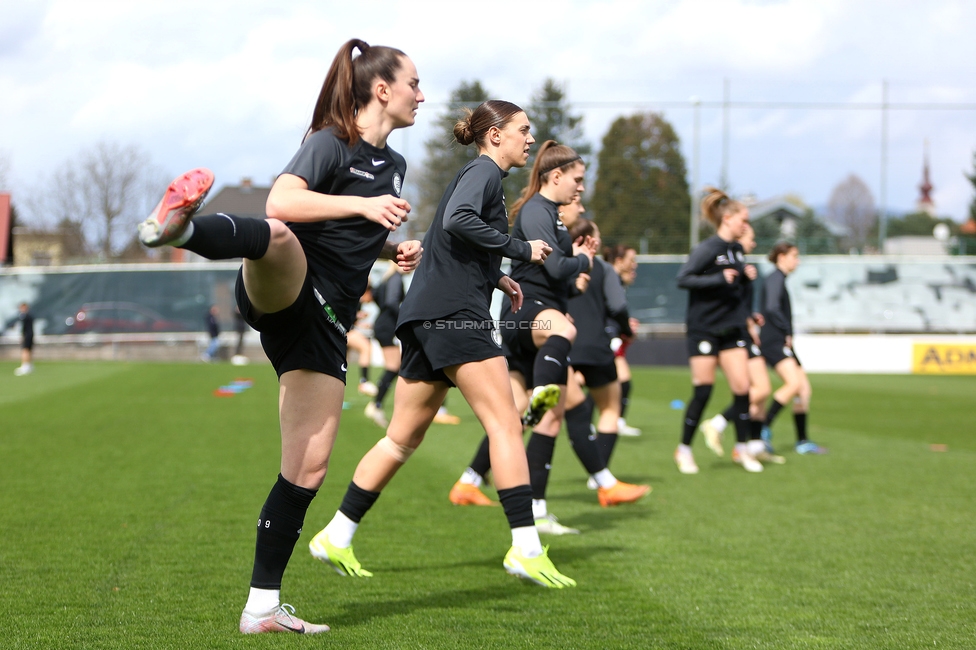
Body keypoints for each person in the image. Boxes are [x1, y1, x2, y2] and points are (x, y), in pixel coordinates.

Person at [136, 38, 424, 634]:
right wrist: (366, 209)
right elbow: (283, 200)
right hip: (284, 287)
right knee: (280, 233)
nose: (422, 95)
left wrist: (393, 249)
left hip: (324, 326)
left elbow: (353, 234)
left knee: (309, 469)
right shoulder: (329, 141)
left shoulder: (394, 165)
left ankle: (261, 608)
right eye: (414, 83)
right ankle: (181, 232)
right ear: (381, 89)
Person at [308, 100, 577, 588]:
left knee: (401, 438)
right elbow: (456, 220)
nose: (531, 138)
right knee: (506, 425)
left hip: (426, 317)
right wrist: (519, 249)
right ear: (494, 135)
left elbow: (447, 239)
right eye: (523, 129)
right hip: (454, 317)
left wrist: (497, 277)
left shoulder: (475, 174)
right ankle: (526, 548)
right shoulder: (486, 174)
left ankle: (336, 535)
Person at [450, 201, 649, 527]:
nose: (580, 204)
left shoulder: (549, 235)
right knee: (562, 409)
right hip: (530, 323)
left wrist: (574, 286)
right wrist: (580, 263)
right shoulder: (546, 230)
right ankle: (581, 492)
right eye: (576, 196)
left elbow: (550, 280)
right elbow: (549, 274)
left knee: (517, 417)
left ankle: (469, 481)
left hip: (521, 323)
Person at [674, 187, 763, 475]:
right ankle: (684, 449)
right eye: (743, 220)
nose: (746, 225)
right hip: (704, 330)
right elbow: (684, 279)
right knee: (704, 390)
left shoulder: (737, 250)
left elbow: (735, 288)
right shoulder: (707, 249)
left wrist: (746, 280)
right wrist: (717, 278)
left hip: (733, 328)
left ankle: (744, 449)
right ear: (728, 218)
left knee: (743, 389)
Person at [699, 223, 784, 464]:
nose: (753, 243)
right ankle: (719, 423)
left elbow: (742, 303)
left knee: (761, 391)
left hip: (746, 329)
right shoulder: (732, 266)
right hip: (739, 334)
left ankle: (754, 445)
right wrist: (747, 324)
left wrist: (752, 316)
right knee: (758, 389)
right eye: (751, 238)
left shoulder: (744, 267)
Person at [566, 220, 643, 480]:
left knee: (541, 414)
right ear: (590, 240)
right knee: (610, 409)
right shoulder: (602, 268)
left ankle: (482, 468)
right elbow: (618, 308)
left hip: (561, 342)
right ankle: (598, 475)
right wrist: (626, 329)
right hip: (595, 347)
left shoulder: (555, 262)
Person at [760, 242, 826, 455]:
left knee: (804, 389)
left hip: (781, 339)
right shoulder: (775, 278)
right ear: (781, 257)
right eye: (794, 256)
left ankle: (802, 441)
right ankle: (764, 426)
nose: (797, 261)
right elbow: (771, 308)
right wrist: (786, 330)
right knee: (794, 383)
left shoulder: (779, 279)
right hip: (773, 340)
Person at [605, 245, 641, 436]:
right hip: (605, 336)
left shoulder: (617, 280)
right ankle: (613, 420)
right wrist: (623, 328)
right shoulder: (609, 278)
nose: (634, 265)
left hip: (611, 335)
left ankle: (615, 420)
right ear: (619, 261)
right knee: (621, 380)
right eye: (631, 260)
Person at [347, 287, 379, 397]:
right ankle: (364, 381)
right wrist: (358, 316)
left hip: (346, 330)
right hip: (344, 332)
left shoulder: (358, 302)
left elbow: (352, 320)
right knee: (365, 347)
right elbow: (347, 315)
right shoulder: (355, 299)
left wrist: (361, 323)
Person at [13, 302, 34, 376]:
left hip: (27, 335)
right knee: (28, 350)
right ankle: (29, 365)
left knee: (25, 350)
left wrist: (23, 336)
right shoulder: (30, 316)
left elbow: (23, 328)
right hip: (30, 335)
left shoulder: (24, 316)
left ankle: (25, 365)